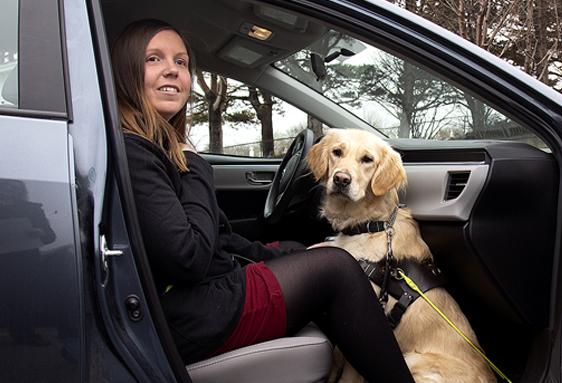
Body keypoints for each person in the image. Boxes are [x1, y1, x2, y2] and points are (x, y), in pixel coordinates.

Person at [110, 19, 415, 382]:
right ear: (127, 72)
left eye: (180, 62)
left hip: (197, 295)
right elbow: (188, 257)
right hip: (186, 312)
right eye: (154, 60)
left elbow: (217, 240)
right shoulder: (136, 153)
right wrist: (193, 162)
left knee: (300, 249)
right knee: (337, 268)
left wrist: (291, 255)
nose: (172, 71)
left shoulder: (155, 149)